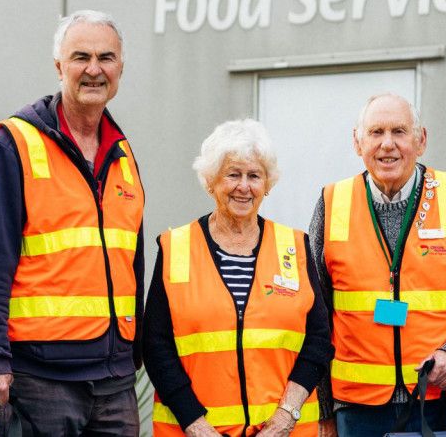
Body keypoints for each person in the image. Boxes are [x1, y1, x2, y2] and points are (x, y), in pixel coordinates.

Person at [0, 10, 144, 436]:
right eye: (81, 57)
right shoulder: (14, 144)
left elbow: (130, 260)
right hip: (41, 377)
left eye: (106, 58)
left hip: (115, 379)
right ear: (59, 66)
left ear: (121, 67)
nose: (94, 69)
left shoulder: (122, 154)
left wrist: (131, 353)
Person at [309, 93, 446, 436]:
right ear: (357, 142)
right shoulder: (332, 204)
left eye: (399, 131)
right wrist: (325, 409)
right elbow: (316, 315)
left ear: (421, 140)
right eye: (376, 132)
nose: (388, 144)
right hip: (359, 412)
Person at [143, 119, 334, 436]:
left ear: (267, 183)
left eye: (254, 176)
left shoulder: (293, 246)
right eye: (233, 174)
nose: (243, 186)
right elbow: (156, 346)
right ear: (211, 181)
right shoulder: (176, 247)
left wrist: (286, 416)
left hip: (283, 432)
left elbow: (318, 339)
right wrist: (196, 425)